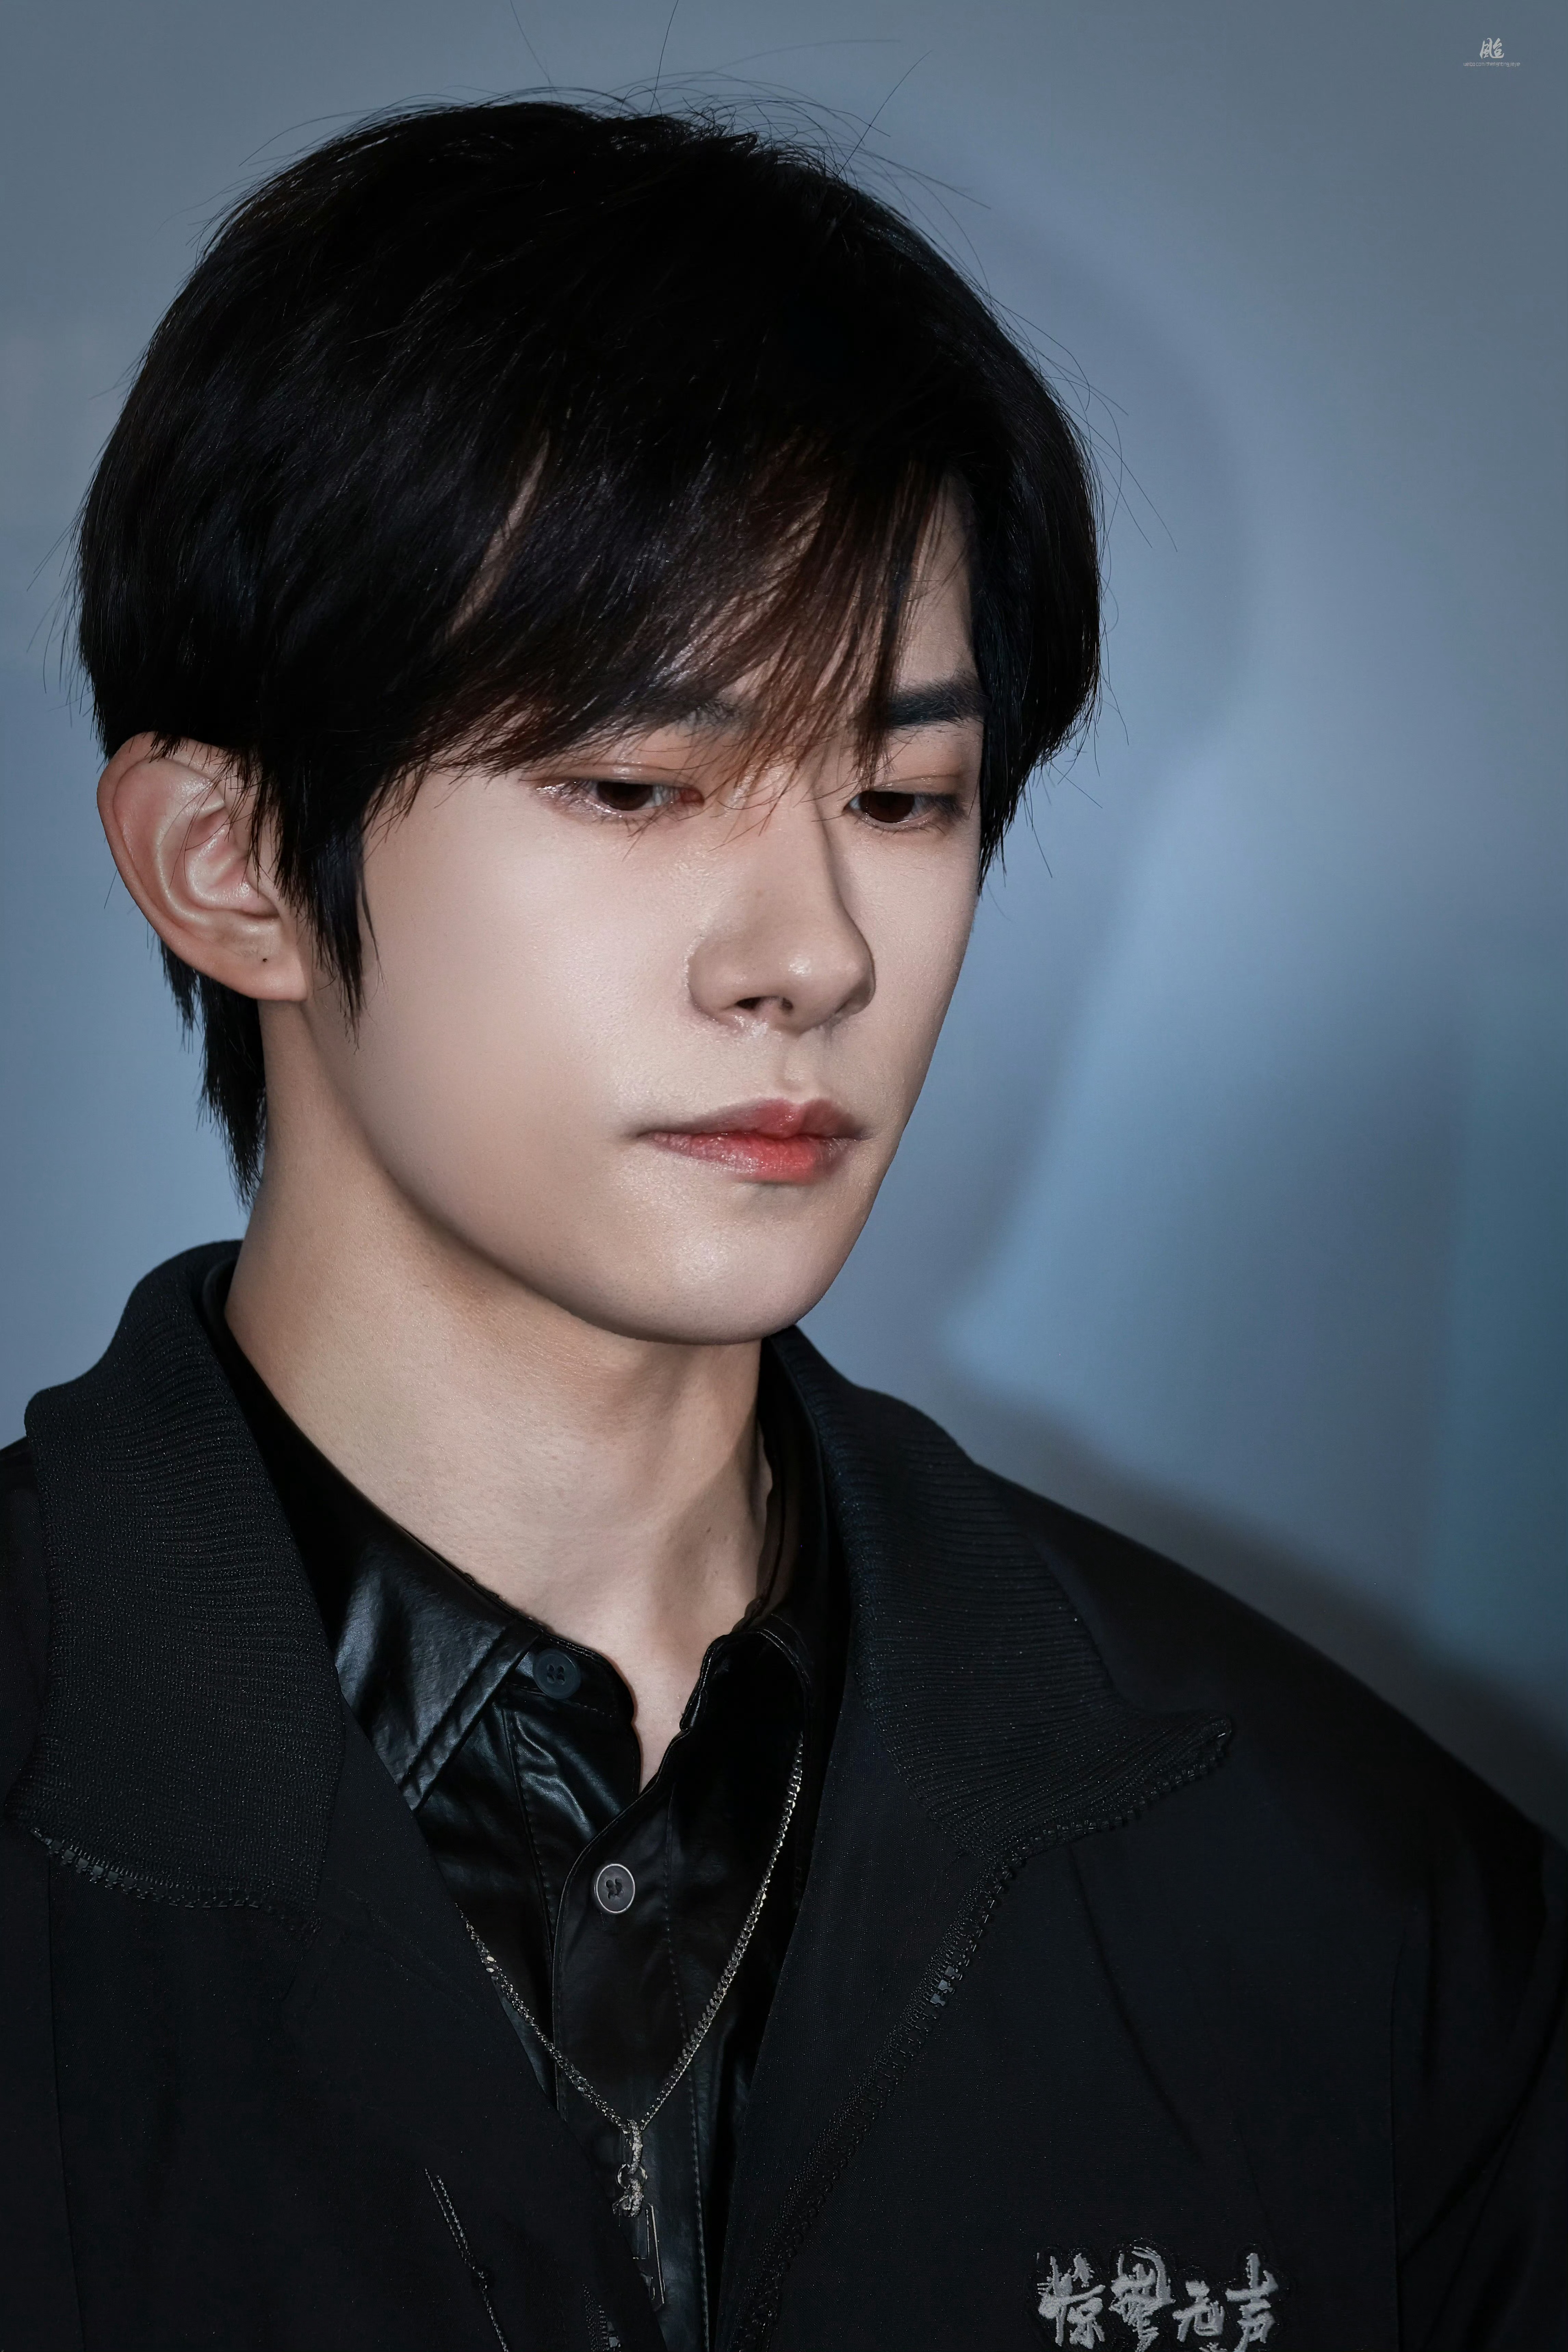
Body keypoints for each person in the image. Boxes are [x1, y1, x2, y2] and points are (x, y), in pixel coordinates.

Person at [0, 99, 1561, 2352]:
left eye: (902, 796)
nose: (812, 953)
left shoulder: (1352, 1902)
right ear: (225, 864)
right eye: (636, 785)